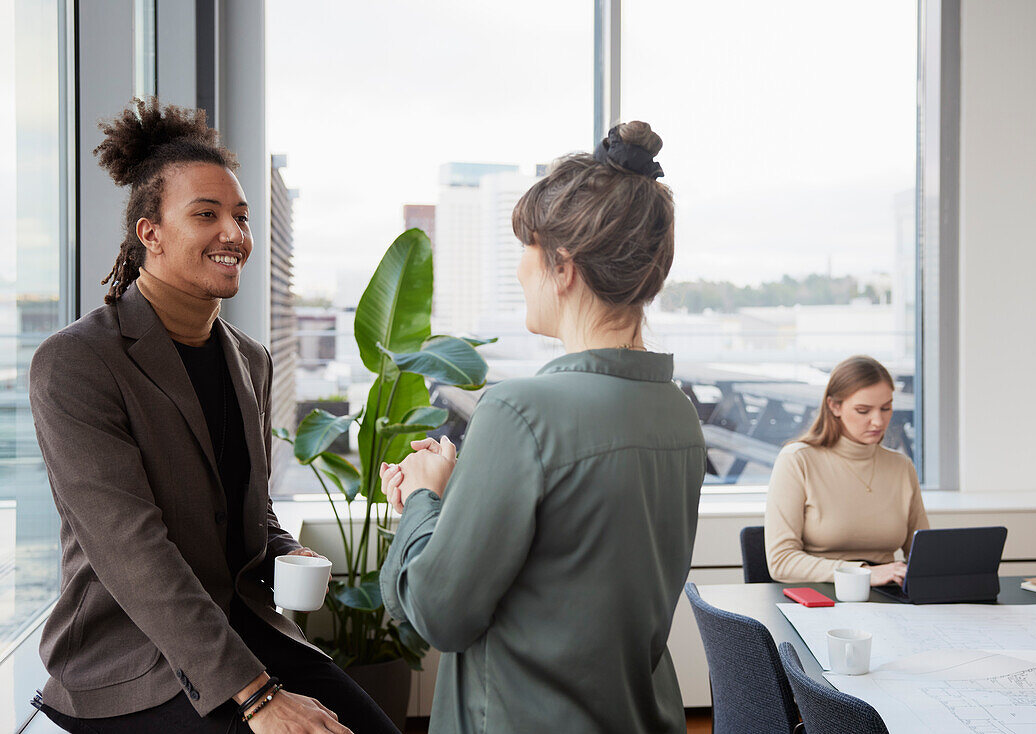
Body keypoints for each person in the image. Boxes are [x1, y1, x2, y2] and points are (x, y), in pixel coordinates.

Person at [28, 98, 398, 734]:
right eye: (207, 214)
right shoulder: (77, 363)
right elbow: (133, 552)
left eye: (242, 217)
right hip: (132, 659)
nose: (236, 234)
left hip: (241, 629)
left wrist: (285, 549)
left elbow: (248, 509)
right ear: (151, 233)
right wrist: (257, 697)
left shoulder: (249, 360)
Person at [377, 122, 706, 733]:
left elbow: (438, 612)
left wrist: (423, 498)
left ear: (564, 267)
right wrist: (460, 501)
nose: (521, 271)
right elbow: (570, 578)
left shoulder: (520, 414)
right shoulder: (678, 414)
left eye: (526, 251)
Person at [764, 355, 930, 585]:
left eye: (886, 408)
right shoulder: (797, 460)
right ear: (834, 406)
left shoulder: (901, 467)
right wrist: (864, 573)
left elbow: (924, 557)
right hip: (819, 599)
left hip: (888, 599)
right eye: (863, 410)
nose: (878, 421)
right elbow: (781, 563)